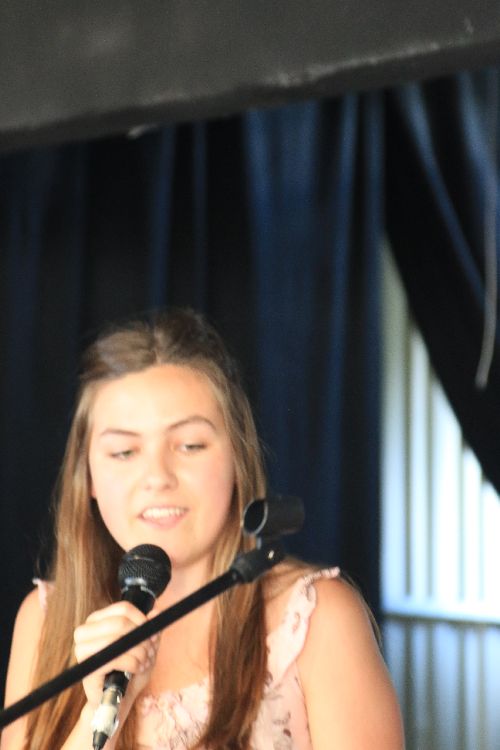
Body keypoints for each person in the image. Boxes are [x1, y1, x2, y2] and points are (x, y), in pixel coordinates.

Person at [1, 308, 404, 750]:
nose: (158, 477)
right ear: (89, 478)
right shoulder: (43, 620)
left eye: (190, 445)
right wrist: (99, 716)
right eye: (124, 452)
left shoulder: (319, 618)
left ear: (237, 461)